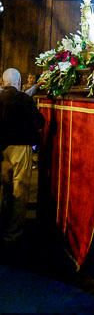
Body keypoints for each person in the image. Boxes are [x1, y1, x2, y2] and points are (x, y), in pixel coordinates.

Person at [0, 68, 44, 247]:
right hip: (20, 148)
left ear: (3, 82)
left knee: (3, 190)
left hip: (1, 150)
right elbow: (40, 122)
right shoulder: (24, 99)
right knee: (20, 190)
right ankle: (13, 234)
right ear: (18, 83)